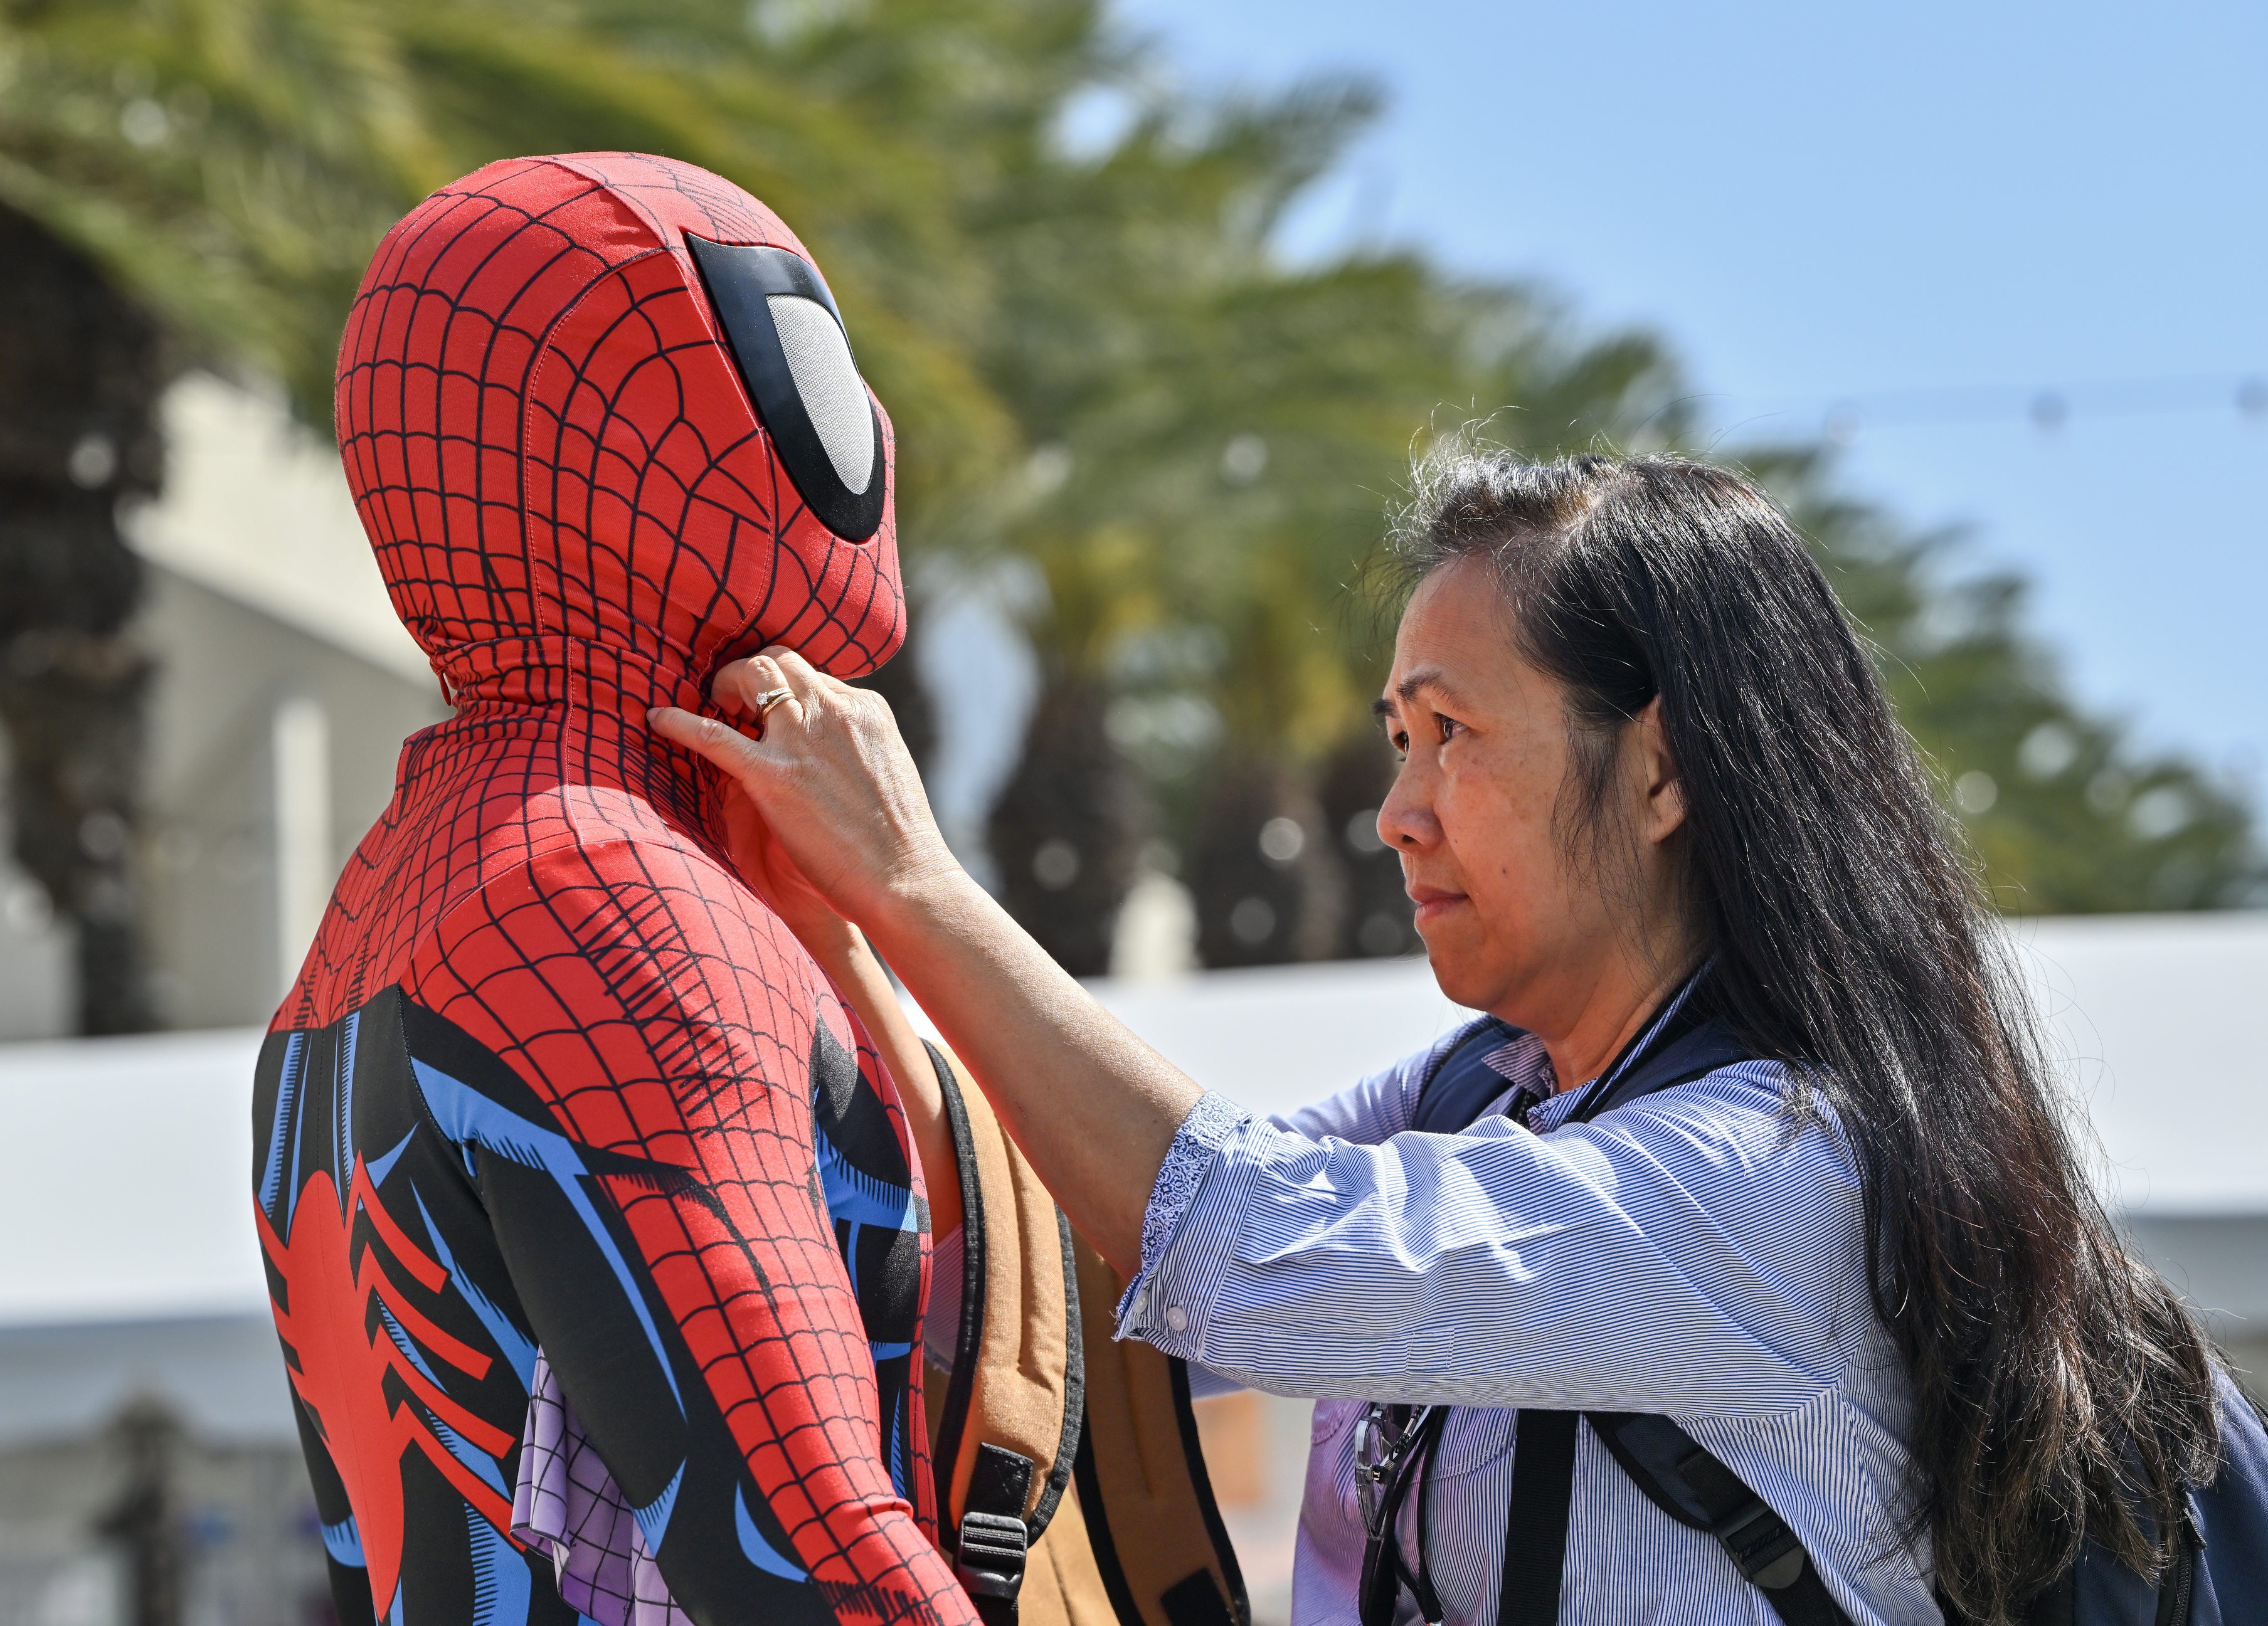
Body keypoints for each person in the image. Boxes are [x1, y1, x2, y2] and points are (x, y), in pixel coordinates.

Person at [650, 448, 2232, 1625]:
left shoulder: (1772, 1174)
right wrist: (819, 929)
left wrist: (918, 885)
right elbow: (1101, 1215)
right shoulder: (1496, 1093)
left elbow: (1242, 1239)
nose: (1396, 813)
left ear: (1664, 771)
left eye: (1451, 736)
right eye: (1396, 740)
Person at [252, 152, 983, 1626]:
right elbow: (817, 1561)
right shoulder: (607, 901)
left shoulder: (369, 919)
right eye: (798, 351)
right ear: (646, 415)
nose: (871, 434)